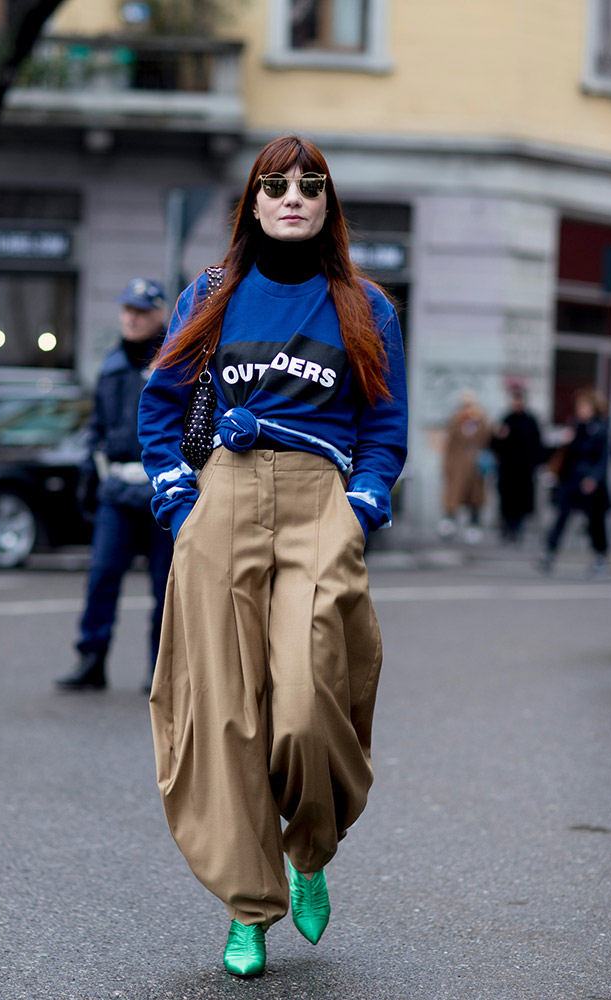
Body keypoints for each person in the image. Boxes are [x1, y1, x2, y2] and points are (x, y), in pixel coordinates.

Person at [138, 135, 408, 977]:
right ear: (252, 202)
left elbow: (384, 424)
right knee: (223, 713)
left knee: (306, 697)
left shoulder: (365, 305)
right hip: (220, 498)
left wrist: (363, 501)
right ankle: (246, 908)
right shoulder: (212, 295)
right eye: (276, 185)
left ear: (328, 204)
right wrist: (180, 498)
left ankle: (310, 850)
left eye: (310, 185)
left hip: (321, 504)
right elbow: (161, 403)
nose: (293, 197)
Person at [56, 279, 173, 693]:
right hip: (118, 489)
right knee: (102, 574)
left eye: (141, 311)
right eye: (127, 310)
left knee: (166, 585)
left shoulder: (175, 359)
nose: (131, 318)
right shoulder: (111, 365)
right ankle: (92, 659)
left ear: (160, 314)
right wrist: (90, 473)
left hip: (163, 490)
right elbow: (98, 426)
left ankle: (161, 669)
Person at [540, 388, 609, 576]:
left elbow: (603, 458)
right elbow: (559, 452)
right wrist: (563, 439)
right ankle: (549, 553)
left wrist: (594, 478)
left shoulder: (601, 427)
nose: (581, 410)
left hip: (589, 483)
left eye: (585, 407)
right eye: (580, 407)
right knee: (561, 517)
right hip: (570, 479)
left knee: (595, 522)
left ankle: (600, 556)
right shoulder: (574, 426)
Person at [491, 386, 544, 542]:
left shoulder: (530, 420)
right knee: (507, 501)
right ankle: (507, 528)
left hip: (524, 470)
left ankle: (517, 529)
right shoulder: (505, 420)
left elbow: (537, 444)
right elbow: (494, 443)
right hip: (507, 469)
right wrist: (500, 436)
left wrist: (536, 464)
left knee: (522, 502)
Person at [438, 389, 491, 543]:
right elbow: (449, 445)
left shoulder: (480, 422)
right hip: (458, 467)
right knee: (453, 497)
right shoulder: (456, 422)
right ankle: (449, 524)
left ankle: (474, 526)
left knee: (475, 498)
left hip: (475, 468)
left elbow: (487, 437)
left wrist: (480, 419)